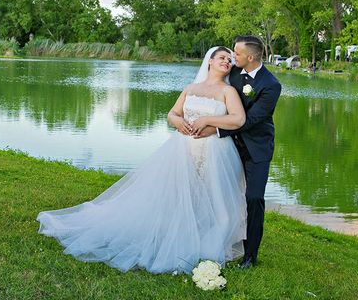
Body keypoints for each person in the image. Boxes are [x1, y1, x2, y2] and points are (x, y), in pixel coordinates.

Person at [37, 47, 247, 274]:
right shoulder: (191, 88)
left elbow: (238, 119)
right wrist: (178, 122)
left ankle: (210, 247)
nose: (227, 62)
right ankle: (178, 236)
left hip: (214, 152)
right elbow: (172, 114)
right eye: (222, 58)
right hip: (183, 148)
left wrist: (207, 118)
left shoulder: (228, 91)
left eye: (230, 59)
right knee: (179, 197)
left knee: (217, 202)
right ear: (210, 61)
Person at [197, 35, 281, 269]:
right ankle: (218, 238)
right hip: (228, 147)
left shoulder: (271, 85)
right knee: (219, 192)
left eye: (237, 53)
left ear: (251, 57)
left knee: (253, 198)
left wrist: (216, 130)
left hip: (257, 148)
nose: (232, 57)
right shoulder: (232, 71)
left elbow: (251, 119)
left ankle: (250, 255)